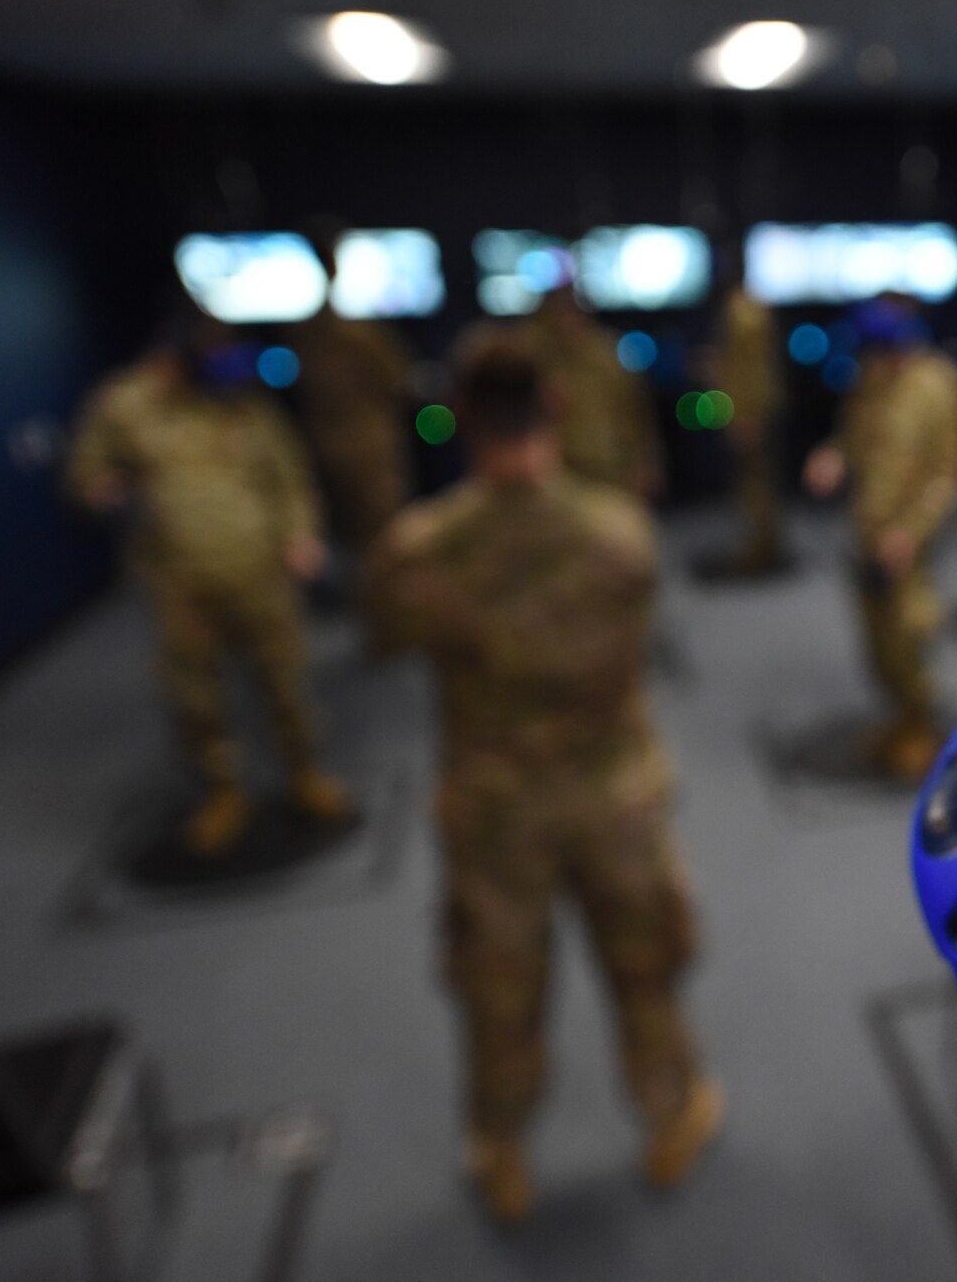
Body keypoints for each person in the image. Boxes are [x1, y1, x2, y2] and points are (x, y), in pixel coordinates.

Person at [364, 328, 721, 1223]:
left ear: (458, 421)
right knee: (646, 973)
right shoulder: (620, 532)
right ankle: (673, 1113)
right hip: (615, 798)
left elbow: (385, 636)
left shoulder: (418, 550)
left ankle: (500, 1148)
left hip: (495, 814)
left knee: (499, 992)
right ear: (556, 408)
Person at [65, 310, 357, 854]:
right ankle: (223, 791)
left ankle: (305, 773)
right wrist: (101, 490)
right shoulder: (124, 405)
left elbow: (289, 474)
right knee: (196, 693)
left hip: (261, 571)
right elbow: (85, 474)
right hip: (178, 581)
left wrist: (302, 536)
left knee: (286, 679)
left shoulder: (244, 403)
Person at [802, 295, 957, 782]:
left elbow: (950, 475)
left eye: (886, 350)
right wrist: (833, 456)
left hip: (908, 537)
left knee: (907, 632)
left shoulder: (938, 385)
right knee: (874, 635)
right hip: (867, 530)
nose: (880, 361)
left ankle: (920, 724)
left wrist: (912, 534)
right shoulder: (869, 379)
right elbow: (851, 438)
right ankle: (899, 719)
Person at [289, 225, 416, 552]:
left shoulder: (304, 330)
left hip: (325, 446)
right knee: (383, 541)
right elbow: (398, 381)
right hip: (368, 450)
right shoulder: (360, 333)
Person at [522, 285, 664, 499]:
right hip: (560, 467)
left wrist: (646, 462)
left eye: (571, 311)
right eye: (558, 313)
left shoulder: (606, 354)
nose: (566, 320)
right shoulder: (535, 358)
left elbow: (635, 411)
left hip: (609, 462)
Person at [708, 263, 787, 572]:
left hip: (748, 407)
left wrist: (744, 413)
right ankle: (764, 544)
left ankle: (763, 547)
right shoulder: (753, 307)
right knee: (758, 478)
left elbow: (746, 369)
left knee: (756, 481)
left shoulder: (741, 311)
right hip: (755, 404)